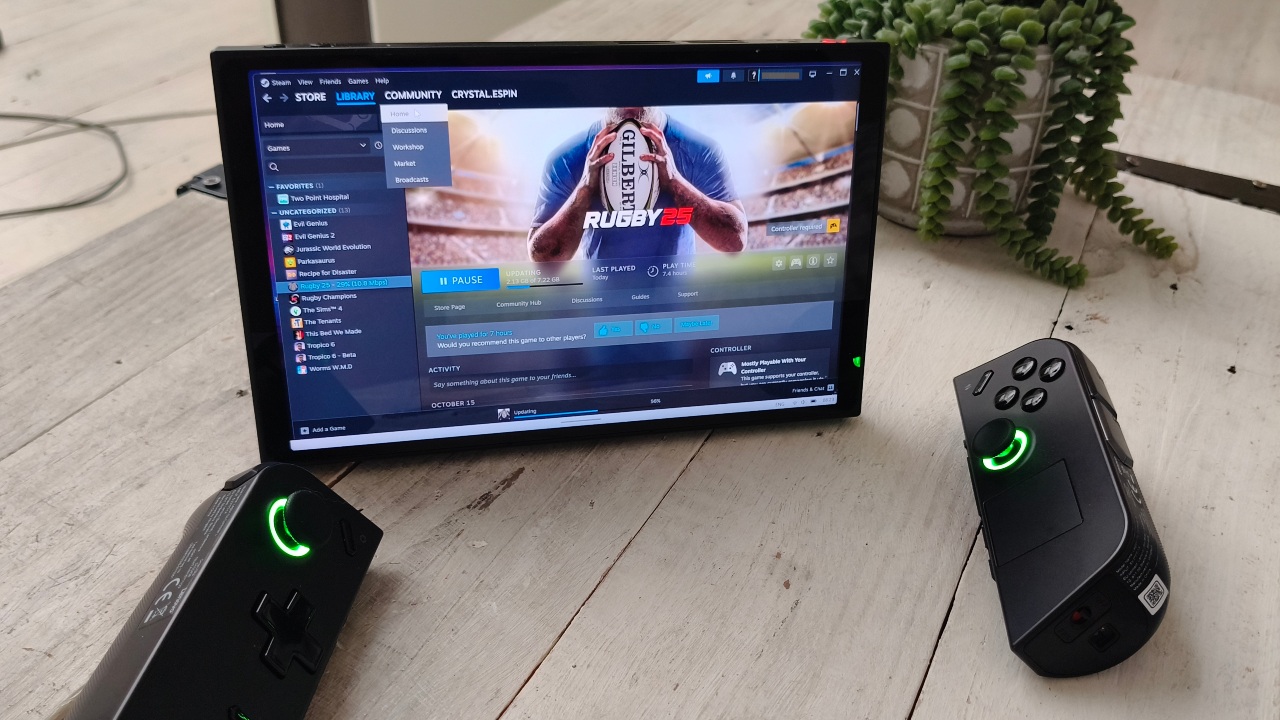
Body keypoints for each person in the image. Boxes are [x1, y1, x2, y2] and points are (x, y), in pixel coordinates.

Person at [528, 107, 747, 261]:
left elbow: (735, 241)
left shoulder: (700, 150)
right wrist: (584, 190)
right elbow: (542, 257)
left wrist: (675, 182)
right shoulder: (566, 158)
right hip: (603, 305)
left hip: (676, 306)